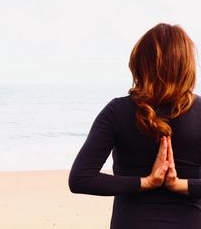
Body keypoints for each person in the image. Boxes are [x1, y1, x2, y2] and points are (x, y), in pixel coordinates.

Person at [68, 23, 201, 228]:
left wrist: (145, 182)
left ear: (139, 62)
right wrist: (180, 185)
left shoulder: (117, 111)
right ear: (186, 65)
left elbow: (81, 179)